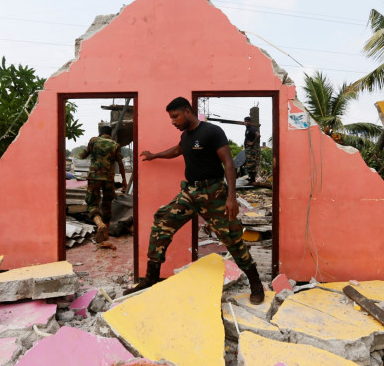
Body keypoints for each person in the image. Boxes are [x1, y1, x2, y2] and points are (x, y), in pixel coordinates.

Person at [123, 97, 265, 304]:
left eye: (175, 116)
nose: (173, 121)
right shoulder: (186, 136)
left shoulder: (212, 132)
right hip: (190, 192)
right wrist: (155, 156)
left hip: (214, 193)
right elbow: (177, 150)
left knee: (231, 238)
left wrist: (232, 198)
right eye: (171, 118)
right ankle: (151, 278)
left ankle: (256, 283)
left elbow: (228, 162)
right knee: (162, 221)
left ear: (187, 112)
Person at [80, 125, 127, 243]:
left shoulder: (94, 141)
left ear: (100, 133)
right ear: (110, 134)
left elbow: (83, 155)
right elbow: (120, 164)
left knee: (92, 203)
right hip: (109, 178)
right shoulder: (115, 145)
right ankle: (105, 234)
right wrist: (124, 180)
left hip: (95, 177)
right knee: (107, 205)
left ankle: (100, 224)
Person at [243, 116, 261, 185]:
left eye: (248, 121)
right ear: (244, 122)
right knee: (248, 164)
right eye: (246, 121)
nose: (247, 122)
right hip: (248, 149)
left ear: (250, 122)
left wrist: (252, 142)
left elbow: (258, 135)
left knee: (251, 164)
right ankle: (251, 178)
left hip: (251, 150)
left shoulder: (251, 128)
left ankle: (252, 180)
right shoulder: (247, 129)